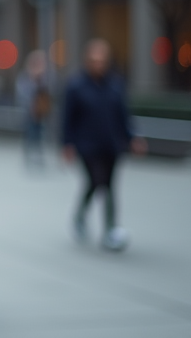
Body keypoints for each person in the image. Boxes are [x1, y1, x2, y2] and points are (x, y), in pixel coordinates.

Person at [61, 39, 146, 251]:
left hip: (111, 145)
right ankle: (86, 218)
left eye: (102, 60)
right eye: (94, 60)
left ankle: (110, 228)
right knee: (97, 181)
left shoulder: (115, 84)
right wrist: (67, 144)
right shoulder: (76, 85)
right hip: (87, 146)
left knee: (108, 185)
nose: (98, 64)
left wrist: (132, 137)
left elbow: (123, 116)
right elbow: (67, 118)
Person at [15, 50, 52, 167]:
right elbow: (22, 93)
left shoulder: (45, 77)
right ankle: (30, 157)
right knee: (30, 134)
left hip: (41, 113)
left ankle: (40, 156)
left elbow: (50, 91)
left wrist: (40, 79)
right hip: (29, 113)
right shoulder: (25, 76)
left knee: (41, 134)